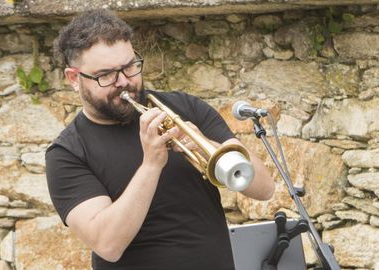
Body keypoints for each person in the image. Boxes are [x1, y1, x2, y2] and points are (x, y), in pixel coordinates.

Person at [46, 9, 275, 270]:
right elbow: (108, 244)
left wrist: (205, 145)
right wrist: (151, 164)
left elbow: (264, 188)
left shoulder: (185, 107)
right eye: (106, 75)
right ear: (74, 79)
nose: (124, 82)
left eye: (130, 67)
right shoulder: (67, 152)